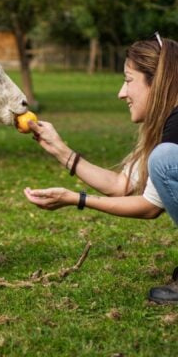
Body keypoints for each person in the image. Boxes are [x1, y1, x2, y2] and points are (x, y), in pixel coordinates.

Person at [24, 34, 178, 304]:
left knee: (163, 158)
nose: (121, 93)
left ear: (157, 81)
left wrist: (76, 199)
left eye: (129, 81)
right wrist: (61, 151)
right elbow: (121, 185)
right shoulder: (170, 124)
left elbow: (149, 207)